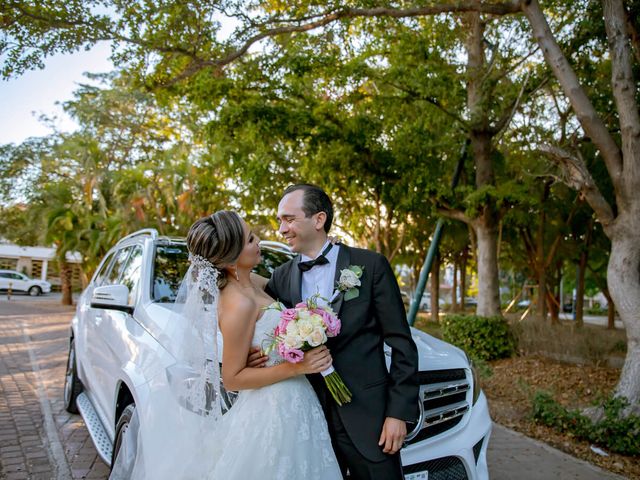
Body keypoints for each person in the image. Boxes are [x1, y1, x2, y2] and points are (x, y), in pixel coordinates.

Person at [259, 184, 420, 480]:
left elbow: (402, 343)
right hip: (308, 424)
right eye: (280, 220)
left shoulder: (370, 266)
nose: (282, 228)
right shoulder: (281, 277)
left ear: (318, 220)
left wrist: (398, 413)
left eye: (289, 219)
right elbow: (260, 318)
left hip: (370, 419)